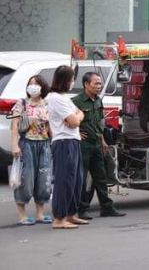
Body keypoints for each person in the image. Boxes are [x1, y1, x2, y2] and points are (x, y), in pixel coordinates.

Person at [72, 72, 125, 220]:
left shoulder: (98, 101)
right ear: (86, 84)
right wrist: (76, 132)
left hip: (97, 143)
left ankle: (107, 207)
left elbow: (99, 122)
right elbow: (66, 121)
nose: (99, 86)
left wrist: (103, 140)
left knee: (100, 177)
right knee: (82, 178)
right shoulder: (76, 101)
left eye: (100, 84)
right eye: (95, 83)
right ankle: (82, 209)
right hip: (83, 145)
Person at [47, 66, 88, 230]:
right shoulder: (56, 98)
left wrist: (76, 117)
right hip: (63, 141)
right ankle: (59, 218)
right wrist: (76, 118)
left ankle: (71, 214)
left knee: (76, 180)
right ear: (65, 80)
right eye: (71, 80)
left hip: (73, 139)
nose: (72, 83)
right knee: (64, 180)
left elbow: (80, 114)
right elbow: (75, 121)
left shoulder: (65, 98)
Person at [10, 75, 52, 225]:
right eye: (30, 83)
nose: (32, 86)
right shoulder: (21, 104)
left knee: (43, 179)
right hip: (26, 144)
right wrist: (14, 144)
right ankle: (22, 215)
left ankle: (40, 214)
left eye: (36, 83)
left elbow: (50, 127)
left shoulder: (47, 104)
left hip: (44, 144)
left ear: (43, 87)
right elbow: (14, 125)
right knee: (25, 179)